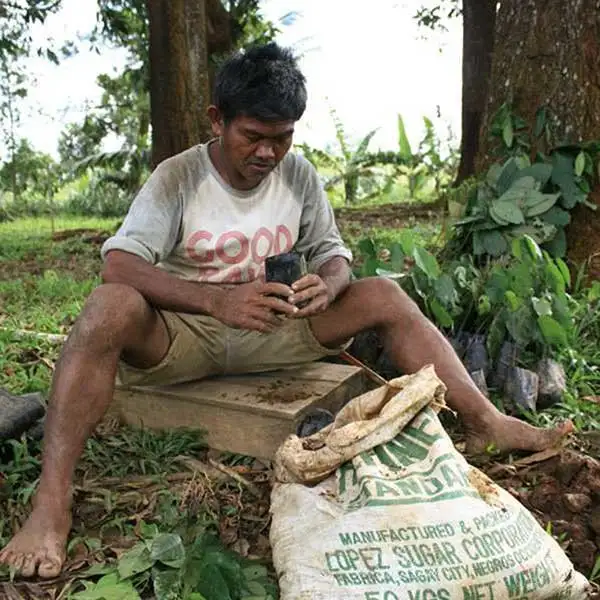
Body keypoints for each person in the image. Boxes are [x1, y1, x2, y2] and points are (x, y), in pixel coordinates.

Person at [0, 42, 572, 580]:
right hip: (183, 337)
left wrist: (329, 283)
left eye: (282, 138)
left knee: (383, 293)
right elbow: (119, 265)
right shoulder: (178, 177)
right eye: (252, 136)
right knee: (108, 306)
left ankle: (487, 423)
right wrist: (216, 300)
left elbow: (334, 254)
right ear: (216, 120)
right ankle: (51, 502)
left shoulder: (297, 174)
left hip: (279, 328)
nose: (268, 153)